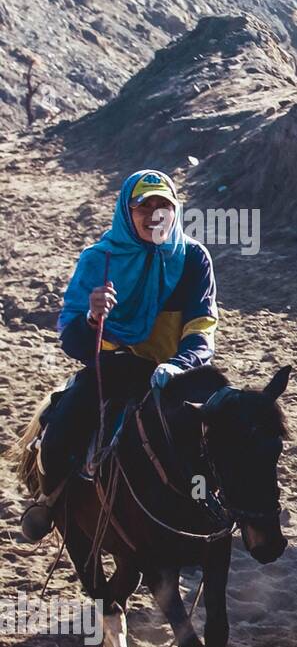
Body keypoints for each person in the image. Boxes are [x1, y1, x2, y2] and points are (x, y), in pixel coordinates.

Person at [21, 170, 217, 542]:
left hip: (177, 372)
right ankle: (48, 501)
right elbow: (71, 336)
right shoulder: (99, 259)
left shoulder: (194, 258)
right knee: (62, 428)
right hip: (116, 368)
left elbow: (201, 326)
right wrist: (93, 317)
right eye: (144, 207)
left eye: (165, 206)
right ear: (127, 212)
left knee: (226, 434)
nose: (155, 215)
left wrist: (179, 365)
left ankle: (208, 507)